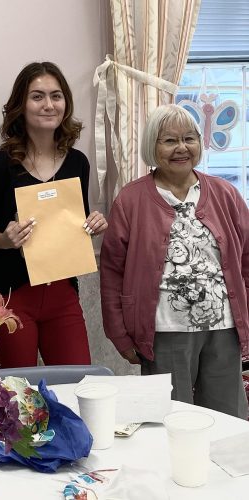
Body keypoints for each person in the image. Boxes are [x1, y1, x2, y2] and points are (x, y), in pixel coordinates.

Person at [100, 103, 249, 419]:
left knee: (227, 421)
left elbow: (246, 260)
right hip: (163, 331)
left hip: (223, 329)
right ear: (152, 146)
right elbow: (112, 272)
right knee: (168, 421)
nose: (181, 148)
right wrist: (119, 333)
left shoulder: (226, 194)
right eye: (169, 140)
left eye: (189, 138)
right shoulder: (130, 199)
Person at [0, 61, 107, 368]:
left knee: (80, 384)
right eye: (37, 96)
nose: (49, 105)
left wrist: (93, 223)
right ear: (21, 105)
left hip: (62, 292)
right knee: (16, 395)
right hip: (12, 296)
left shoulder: (78, 163)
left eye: (56, 96)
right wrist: (6, 240)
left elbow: (76, 223)